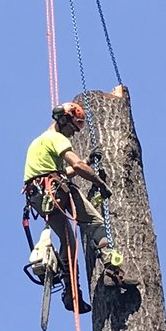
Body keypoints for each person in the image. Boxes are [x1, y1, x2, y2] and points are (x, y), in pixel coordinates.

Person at [23, 100, 124, 313]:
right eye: (74, 127)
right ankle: (112, 270)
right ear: (64, 119)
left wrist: (86, 160)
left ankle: (71, 293)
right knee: (95, 222)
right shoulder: (56, 138)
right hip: (55, 189)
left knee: (68, 241)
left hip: (39, 196)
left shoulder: (38, 142)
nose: (75, 134)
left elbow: (59, 171)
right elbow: (76, 165)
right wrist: (100, 183)